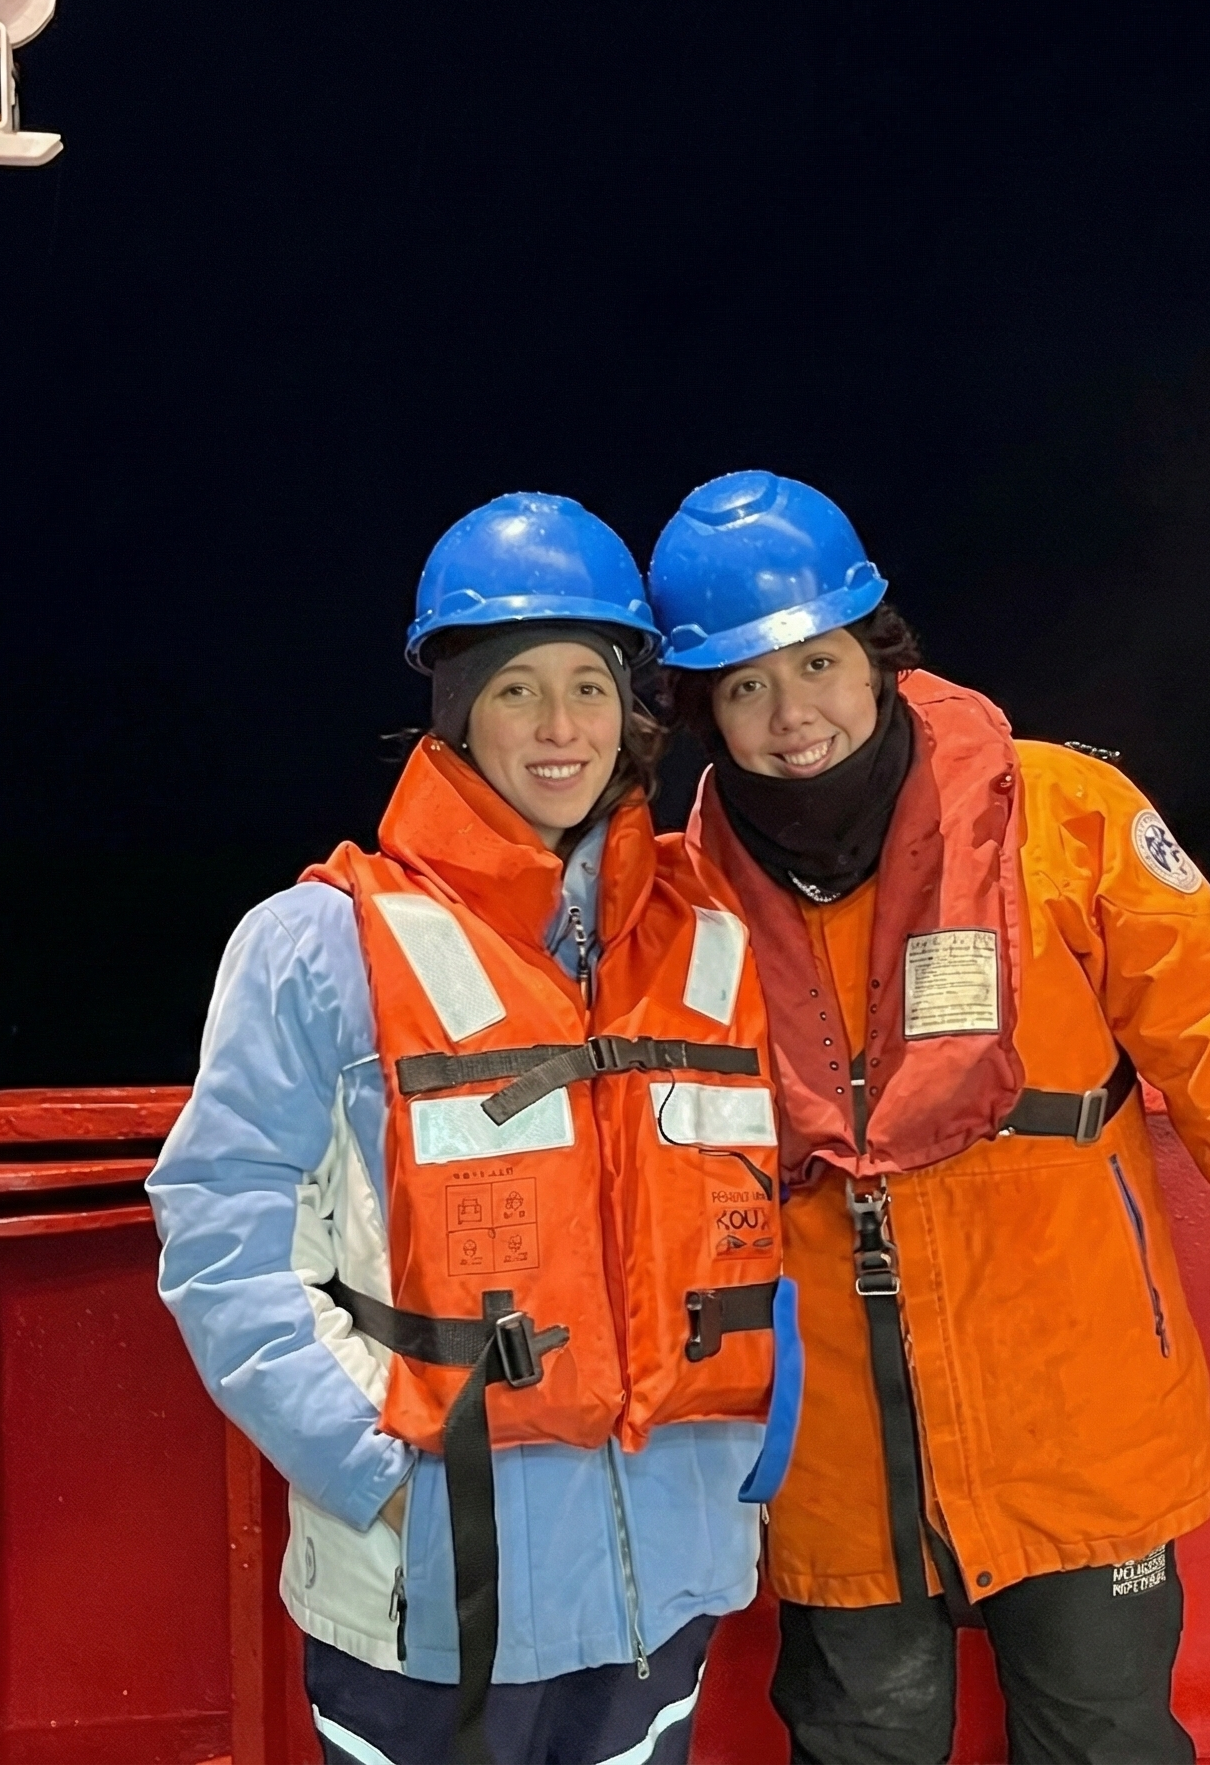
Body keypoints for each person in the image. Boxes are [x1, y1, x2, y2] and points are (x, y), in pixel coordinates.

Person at [643, 469, 1210, 1765]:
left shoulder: (1065, 819)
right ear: (701, 713)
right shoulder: (678, 905)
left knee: (1104, 1740)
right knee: (859, 1742)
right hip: (835, 1459)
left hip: (1079, 1417)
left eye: (817, 665)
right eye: (743, 687)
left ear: (879, 652)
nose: (793, 718)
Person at [149, 492, 796, 1765]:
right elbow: (223, 1244)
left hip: (667, 1581)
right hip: (434, 1599)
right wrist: (378, 1471)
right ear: (455, 713)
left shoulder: (709, 931)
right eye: (516, 689)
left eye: (590, 687)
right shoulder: (320, 944)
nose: (561, 727)